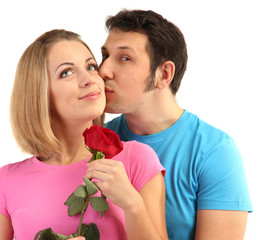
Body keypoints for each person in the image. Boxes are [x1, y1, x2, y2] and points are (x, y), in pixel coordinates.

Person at [0, 29, 168, 240]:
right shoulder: (3, 184)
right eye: (66, 72)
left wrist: (132, 205)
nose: (90, 79)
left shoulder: (137, 160)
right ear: (39, 94)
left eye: (91, 66)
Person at [100, 9, 253, 240]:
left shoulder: (215, 151)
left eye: (125, 58)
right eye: (104, 56)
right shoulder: (96, 141)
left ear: (164, 74)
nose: (103, 71)